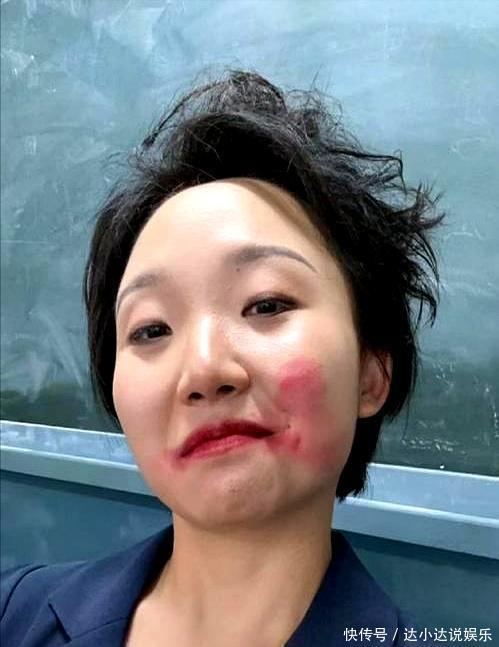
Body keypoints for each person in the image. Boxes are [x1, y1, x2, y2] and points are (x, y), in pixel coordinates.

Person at [1, 70, 443, 646]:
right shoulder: (16, 616)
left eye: (266, 304)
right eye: (151, 329)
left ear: (372, 373)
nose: (205, 370)